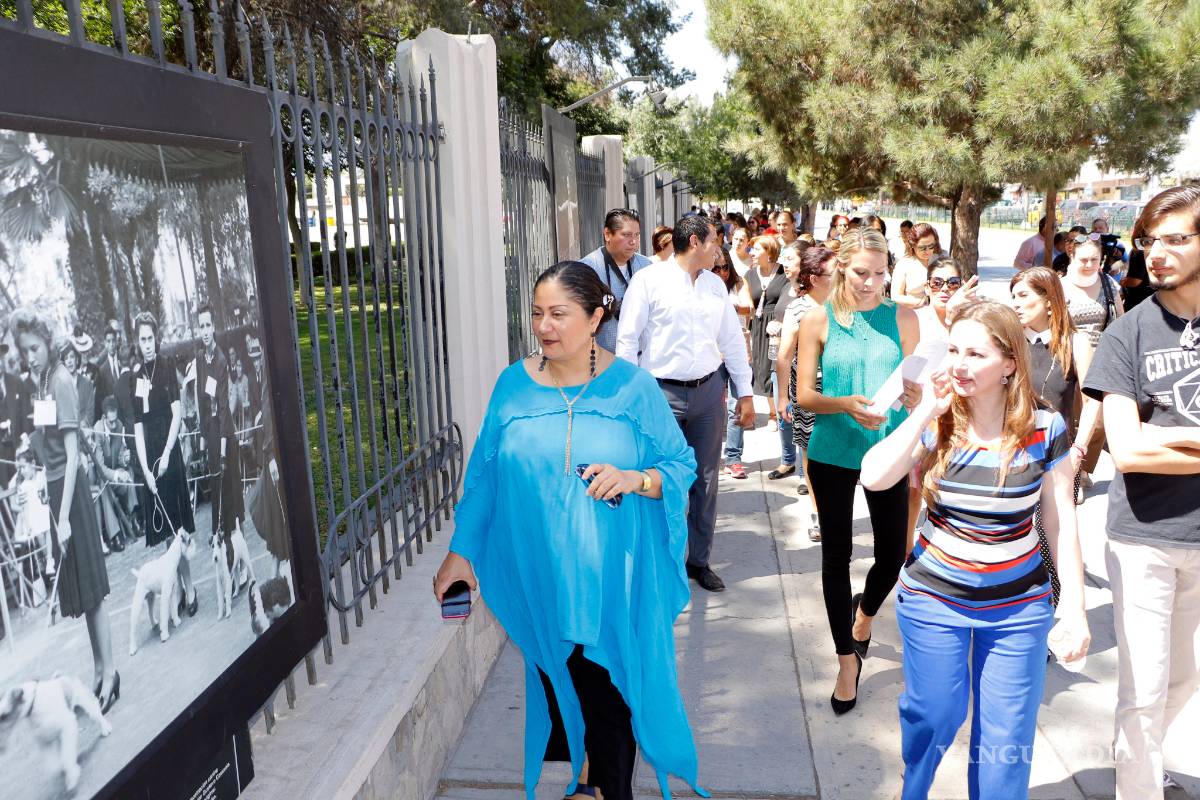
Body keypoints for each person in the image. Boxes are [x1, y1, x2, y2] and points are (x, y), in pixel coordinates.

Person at [433, 261, 704, 800]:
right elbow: (485, 477)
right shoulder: (513, 385)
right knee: (570, 687)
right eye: (537, 313)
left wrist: (635, 478)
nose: (544, 326)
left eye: (558, 314)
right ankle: (588, 777)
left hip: (607, 581)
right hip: (540, 577)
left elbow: (680, 464)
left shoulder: (633, 388)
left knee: (608, 690)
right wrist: (461, 551)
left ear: (596, 317)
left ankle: (606, 787)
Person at [860, 300, 1089, 800]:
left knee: (1007, 740)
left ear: (1009, 363)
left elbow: (1060, 521)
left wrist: (1074, 607)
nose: (959, 364)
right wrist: (926, 409)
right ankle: (914, 788)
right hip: (934, 598)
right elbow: (874, 477)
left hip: (1017, 607)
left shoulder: (1046, 427)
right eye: (954, 351)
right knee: (935, 716)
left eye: (975, 354)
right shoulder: (939, 421)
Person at [1082, 185, 1200, 799]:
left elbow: (1150, 441)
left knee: (1183, 681)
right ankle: (1139, 783)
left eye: (1175, 239)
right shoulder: (1126, 333)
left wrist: (1168, 437)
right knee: (1144, 691)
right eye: (1150, 240)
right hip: (1143, 539)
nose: (1156, 252)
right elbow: (1128, 451)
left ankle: (1140, 754)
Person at [793, 228, 921, 714]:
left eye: (880, 273)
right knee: (836, 557)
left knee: (892, 555)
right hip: (833, 450)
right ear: (842, 267)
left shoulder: (904, 317)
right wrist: (845, 404)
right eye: (861, 273)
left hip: (888, 451)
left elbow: (916, 388)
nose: (870, 283)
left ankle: (863, 616)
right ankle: (846, 661)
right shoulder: (816, 319)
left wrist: (916, 395)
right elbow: (805, 396)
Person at [617, 215, 755, 593]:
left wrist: (745, 392)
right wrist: (631, 398)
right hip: (660, 395)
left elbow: (731, 342)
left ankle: (699, 561)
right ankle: (662, 561)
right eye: (714, 242)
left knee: (705, 481)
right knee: (660, 480)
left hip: (709, 393)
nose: (719, 250)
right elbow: (627, 342)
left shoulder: (714, 285)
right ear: (695, 242)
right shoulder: (648, 281)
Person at [10, 307, 120, 711]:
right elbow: (49, 446)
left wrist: (62, 517)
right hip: (56, 491)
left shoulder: (61, 381)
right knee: (85, 595)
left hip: (72, 497)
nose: (31, 357)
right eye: (25, 351)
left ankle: (112, 674)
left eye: (35, 348)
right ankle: (99, 670)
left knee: (94, 591)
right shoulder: (41, 382)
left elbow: (73, 456)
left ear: (47, 341)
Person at [131, 312, 198, 611]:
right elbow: (137, 428)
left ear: (156, 338)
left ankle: (190, 589)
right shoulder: (135, 378)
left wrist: (168, 453)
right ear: (137, 341)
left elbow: (177, 413)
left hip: (169, 452)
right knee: (166, 534)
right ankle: (178, 591)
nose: (147, 345)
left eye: (150, 338)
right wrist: (146, 470)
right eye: (142, 339)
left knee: (178, 529)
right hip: (151, 459)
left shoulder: (168, 366)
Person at [776, 245, 836, 541]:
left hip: (840, 392)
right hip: (808, 390)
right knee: (812, 453)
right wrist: (783, 397)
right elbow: (785, 356)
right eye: (833, 273)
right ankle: (818, 514)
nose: (840, 277)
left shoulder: (846, 306)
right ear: (814, 278)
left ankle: (836, 510)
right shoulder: (798, 308)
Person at [195, 305, 246, 568]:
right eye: (201, 326)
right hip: (212, 438)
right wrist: (204, 441)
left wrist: (224, 451)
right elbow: (201, 401)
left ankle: (242, 560)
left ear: (213, 326)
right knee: (218, 501)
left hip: (225, 438)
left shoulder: (222, 361)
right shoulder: (199, 359)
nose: (205, 331)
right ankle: (227, 562)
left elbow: (224, 408)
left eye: (208, 325)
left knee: (232, 499)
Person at [580, 209, 653, 354]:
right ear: (607, 234)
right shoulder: (587, 268)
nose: (633, 242)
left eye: (637, 235)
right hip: (601, 358)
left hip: (640, 357)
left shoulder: (647, 267)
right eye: (626, 235)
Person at [763, 242, 807, 480]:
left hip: (804, 362)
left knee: (803, 417)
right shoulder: (784, 286)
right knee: (784, 415)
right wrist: (773, 325)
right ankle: (787, 461)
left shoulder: (811, 290)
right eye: (783, 258)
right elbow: (777, 314)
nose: (784, 263)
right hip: (780, 359)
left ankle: (804, 471)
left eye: (790, 259)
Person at [738, 235, 787, 430]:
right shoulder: (749, 275)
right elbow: (748, 303)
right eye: (751, 249)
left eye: (757, 249)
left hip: (777, 327)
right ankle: (772, 412)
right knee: (761, 368)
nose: (752, 253)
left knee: (774, 366)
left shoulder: (783, 273)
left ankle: (776, 414)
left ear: (769, 252)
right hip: (758, 327)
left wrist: (780, 322)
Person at [891, 222, 946, 309]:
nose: (927, 251)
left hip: (940, 310)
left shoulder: (941, 260)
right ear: (912, 245)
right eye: (922, 247)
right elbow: (895, 297)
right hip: (913, 312)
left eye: (931, 246)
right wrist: (925, 302)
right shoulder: (904, 264)